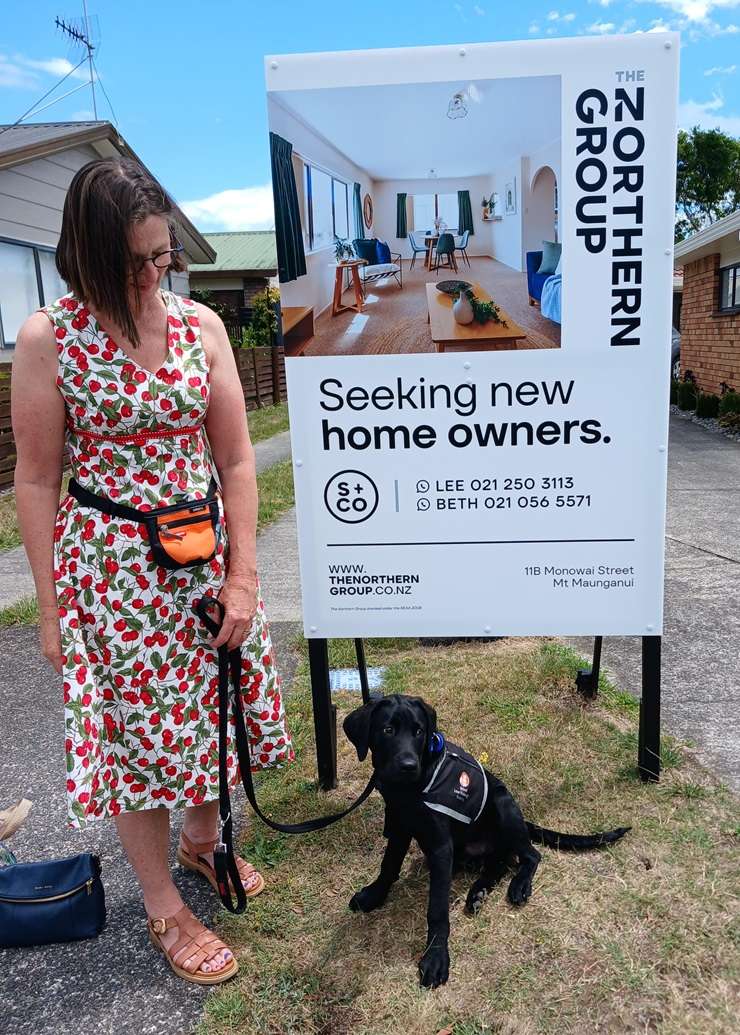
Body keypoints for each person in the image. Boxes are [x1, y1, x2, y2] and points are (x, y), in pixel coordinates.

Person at [11, 157, 293, 984]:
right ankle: (164, 906)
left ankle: (205, 842)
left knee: (206, 711)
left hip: (201, 557)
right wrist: (53, 607)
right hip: (111, 575)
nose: (150, 274)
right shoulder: (47, 339)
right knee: (137, 740)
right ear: (88, 254)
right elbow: (36, 478)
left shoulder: (202, 328)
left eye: (162, 257)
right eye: (133, 261)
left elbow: (238, 459)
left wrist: (243, 576)